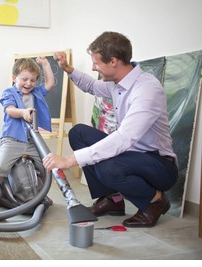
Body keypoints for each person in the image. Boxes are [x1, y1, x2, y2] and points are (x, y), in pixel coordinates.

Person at [43, 31, 178, 227]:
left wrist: (70, 160)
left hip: (159, 164)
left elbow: (124, 137)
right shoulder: (117, 84)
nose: (93, 67)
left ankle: (155, 201)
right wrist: (67, 68)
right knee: (78, 133)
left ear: (113, 61)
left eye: (96, 63)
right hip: (131, 154)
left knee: (108, 168)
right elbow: (91, 85)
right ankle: (112, 200)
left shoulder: (147, 89)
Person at [0, 57, 55, 210]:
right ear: (14, 78)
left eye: (33, 80)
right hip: (12, 139)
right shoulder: (8, 92)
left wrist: (46, 64)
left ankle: (40, 194)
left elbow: (50, 83)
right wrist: (22, 112)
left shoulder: (36, 92)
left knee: (46, 167)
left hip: (32, 140)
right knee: (2, 167)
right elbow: (9, 109)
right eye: (24, 79)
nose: (28, 83)